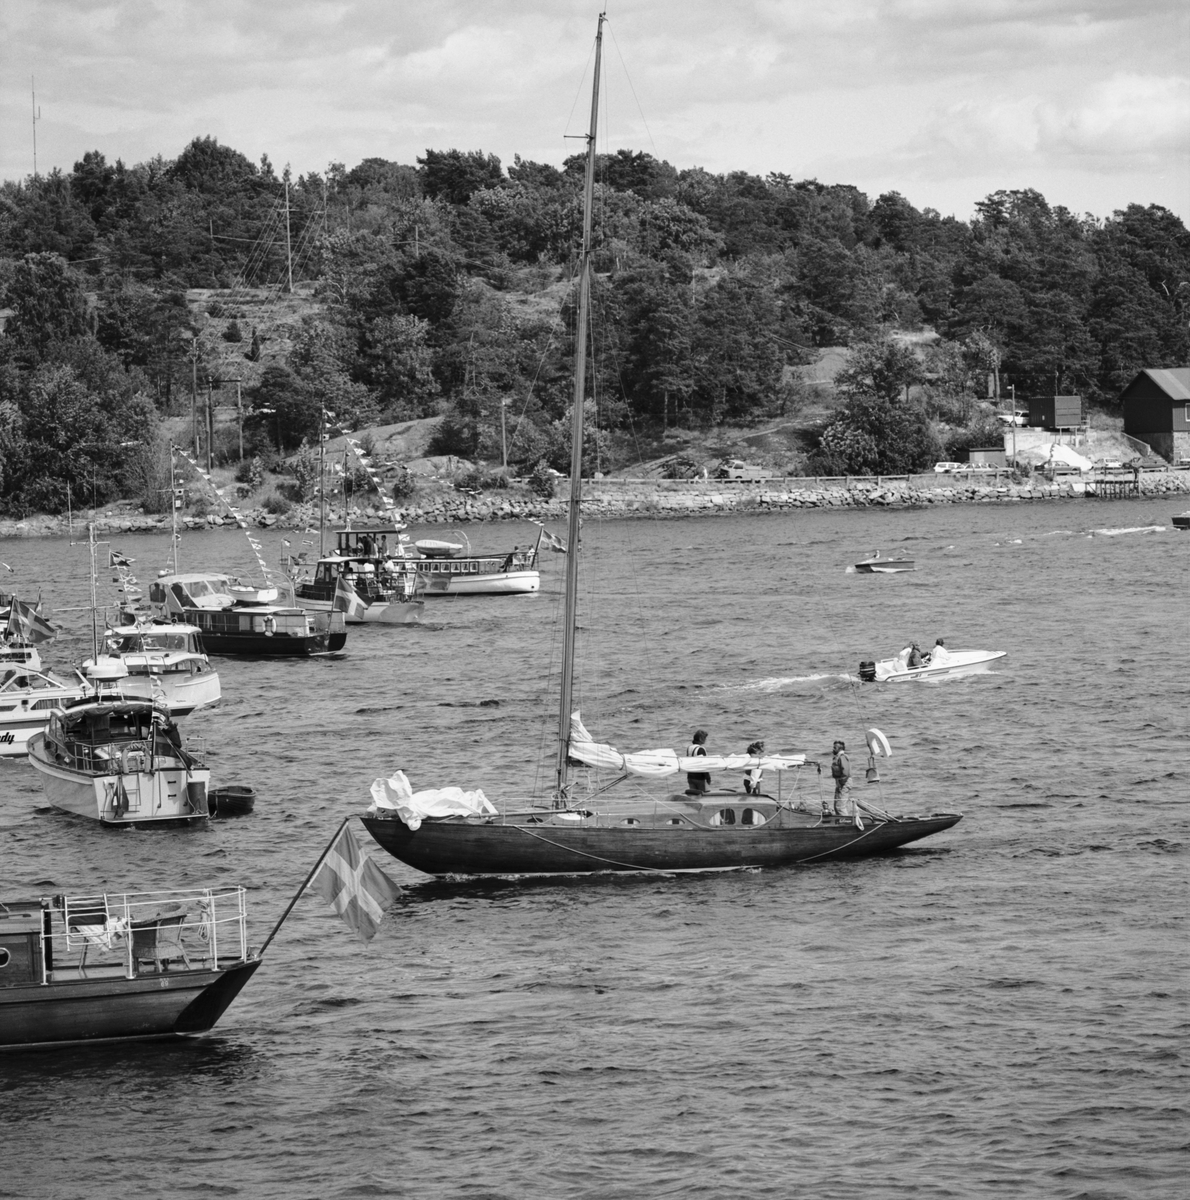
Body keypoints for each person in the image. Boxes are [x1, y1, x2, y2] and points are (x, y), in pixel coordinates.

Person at [685, 729, 710, 795]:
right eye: (704, 738)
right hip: (699, 778)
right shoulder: (701, 749)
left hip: (690, 776)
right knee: (703, 795)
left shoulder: (689, 748)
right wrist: (708, 777)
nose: (705, 740)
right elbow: (704, 765)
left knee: (693, 795)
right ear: (700, 739)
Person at [831, 740, 852, 816]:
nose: (833, 749)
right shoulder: (837, 758)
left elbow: (846, 772)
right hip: (840, 783)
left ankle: (846, 821)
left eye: (835, 747)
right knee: (836, 806)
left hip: (844, 783)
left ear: (840, 749)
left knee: (840, 807)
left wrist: (841, 783)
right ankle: (840, 821)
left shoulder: (842, 757)